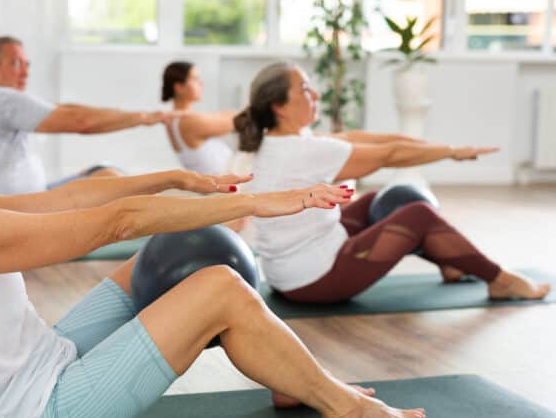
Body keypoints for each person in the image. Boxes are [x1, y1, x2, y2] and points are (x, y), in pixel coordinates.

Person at [0, 55, 426, 418]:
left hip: (18, 382)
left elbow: (69, 197)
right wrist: (269, 203)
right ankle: (347, 412)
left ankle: (296, 381)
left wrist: (179, 178)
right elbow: (115, 222)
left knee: (153, 260)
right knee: (218, 288)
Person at [235, 61, 551, 306]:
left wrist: (435, 146)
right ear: (279, 106)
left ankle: (451, 264)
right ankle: (501, 280)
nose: (315, 94)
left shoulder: (280, 141)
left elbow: (362, 139)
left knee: (376, 200)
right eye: (305, 89)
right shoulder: (303, 150)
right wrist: (451, 153)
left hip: (287, 273)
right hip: (314, 280)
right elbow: (389, 154)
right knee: (417, 215)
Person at [0, 36, 172, 194]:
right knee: (110, 177)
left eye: (27, 65)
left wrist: (134, 114)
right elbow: (82, 122)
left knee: (100, 171)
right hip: (20, 206)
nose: (25, 73)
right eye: (16, 63)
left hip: (29, 195)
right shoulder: (4, 99)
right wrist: (143, 119)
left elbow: (65, 109)